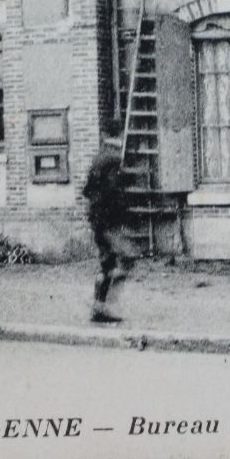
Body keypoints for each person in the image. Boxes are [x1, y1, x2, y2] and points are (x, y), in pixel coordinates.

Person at [84, 132, 137, 324]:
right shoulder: (113, 161)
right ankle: (102, 307)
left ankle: (99, 306)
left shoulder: (97, 159)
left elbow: (86, 191)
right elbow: (115, 194)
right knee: (126, 260)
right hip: (109, 223)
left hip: (98, 221)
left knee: (108, 264)